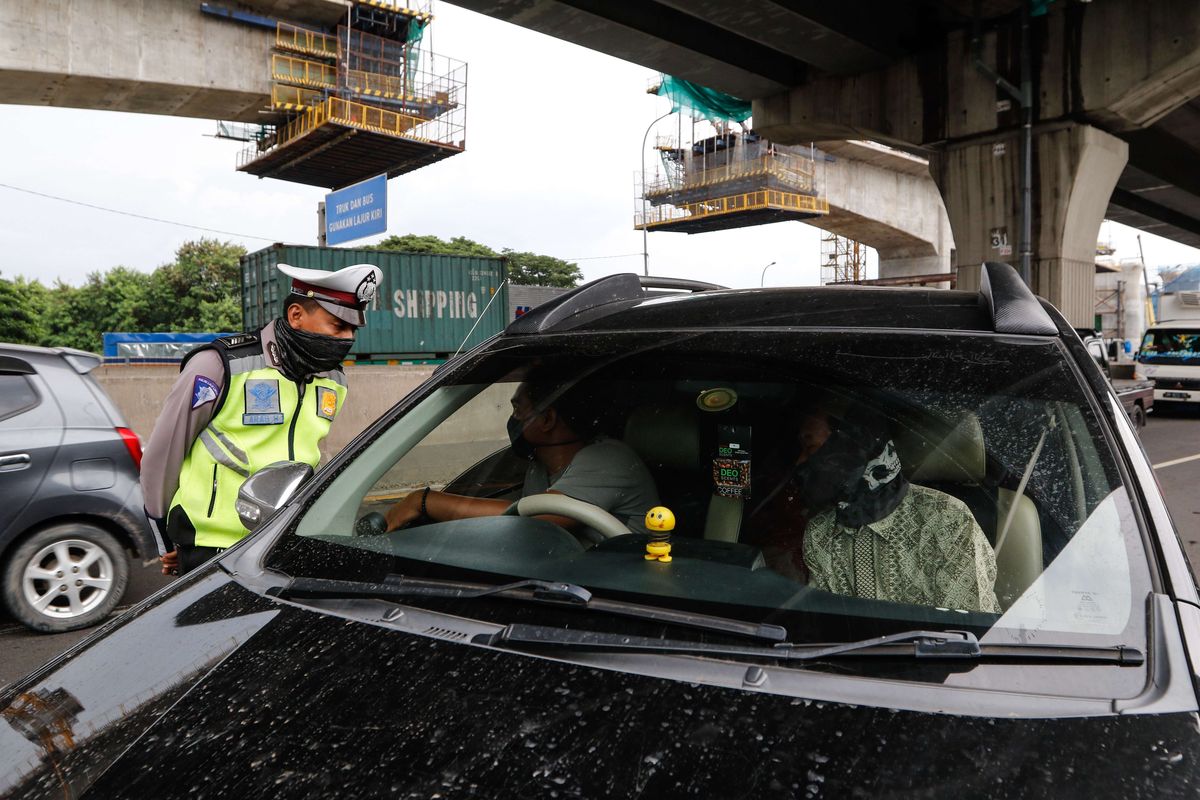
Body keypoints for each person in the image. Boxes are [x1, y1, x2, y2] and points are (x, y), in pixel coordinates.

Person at [142, 262, 383, 576]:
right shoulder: (220, 365)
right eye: (338, 326)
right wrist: (167, 540)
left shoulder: (334, 380)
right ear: (296, 315)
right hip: (214, 548)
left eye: (352, 329)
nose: (347, 338)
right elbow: (163, 455)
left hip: (286, 542)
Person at [385, 373, 659, 543]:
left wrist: (423, 500)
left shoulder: (608, 459)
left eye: (519, 408)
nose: (513, 419)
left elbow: (536, 521)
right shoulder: (540, 466)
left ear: (548, 419)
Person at [792, 403, 1001, 613]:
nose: (801, 462)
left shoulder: (948, 519)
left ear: (850, 444)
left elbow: (967, 635)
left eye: (810, 447)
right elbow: (824, 629)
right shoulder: (820, 533)